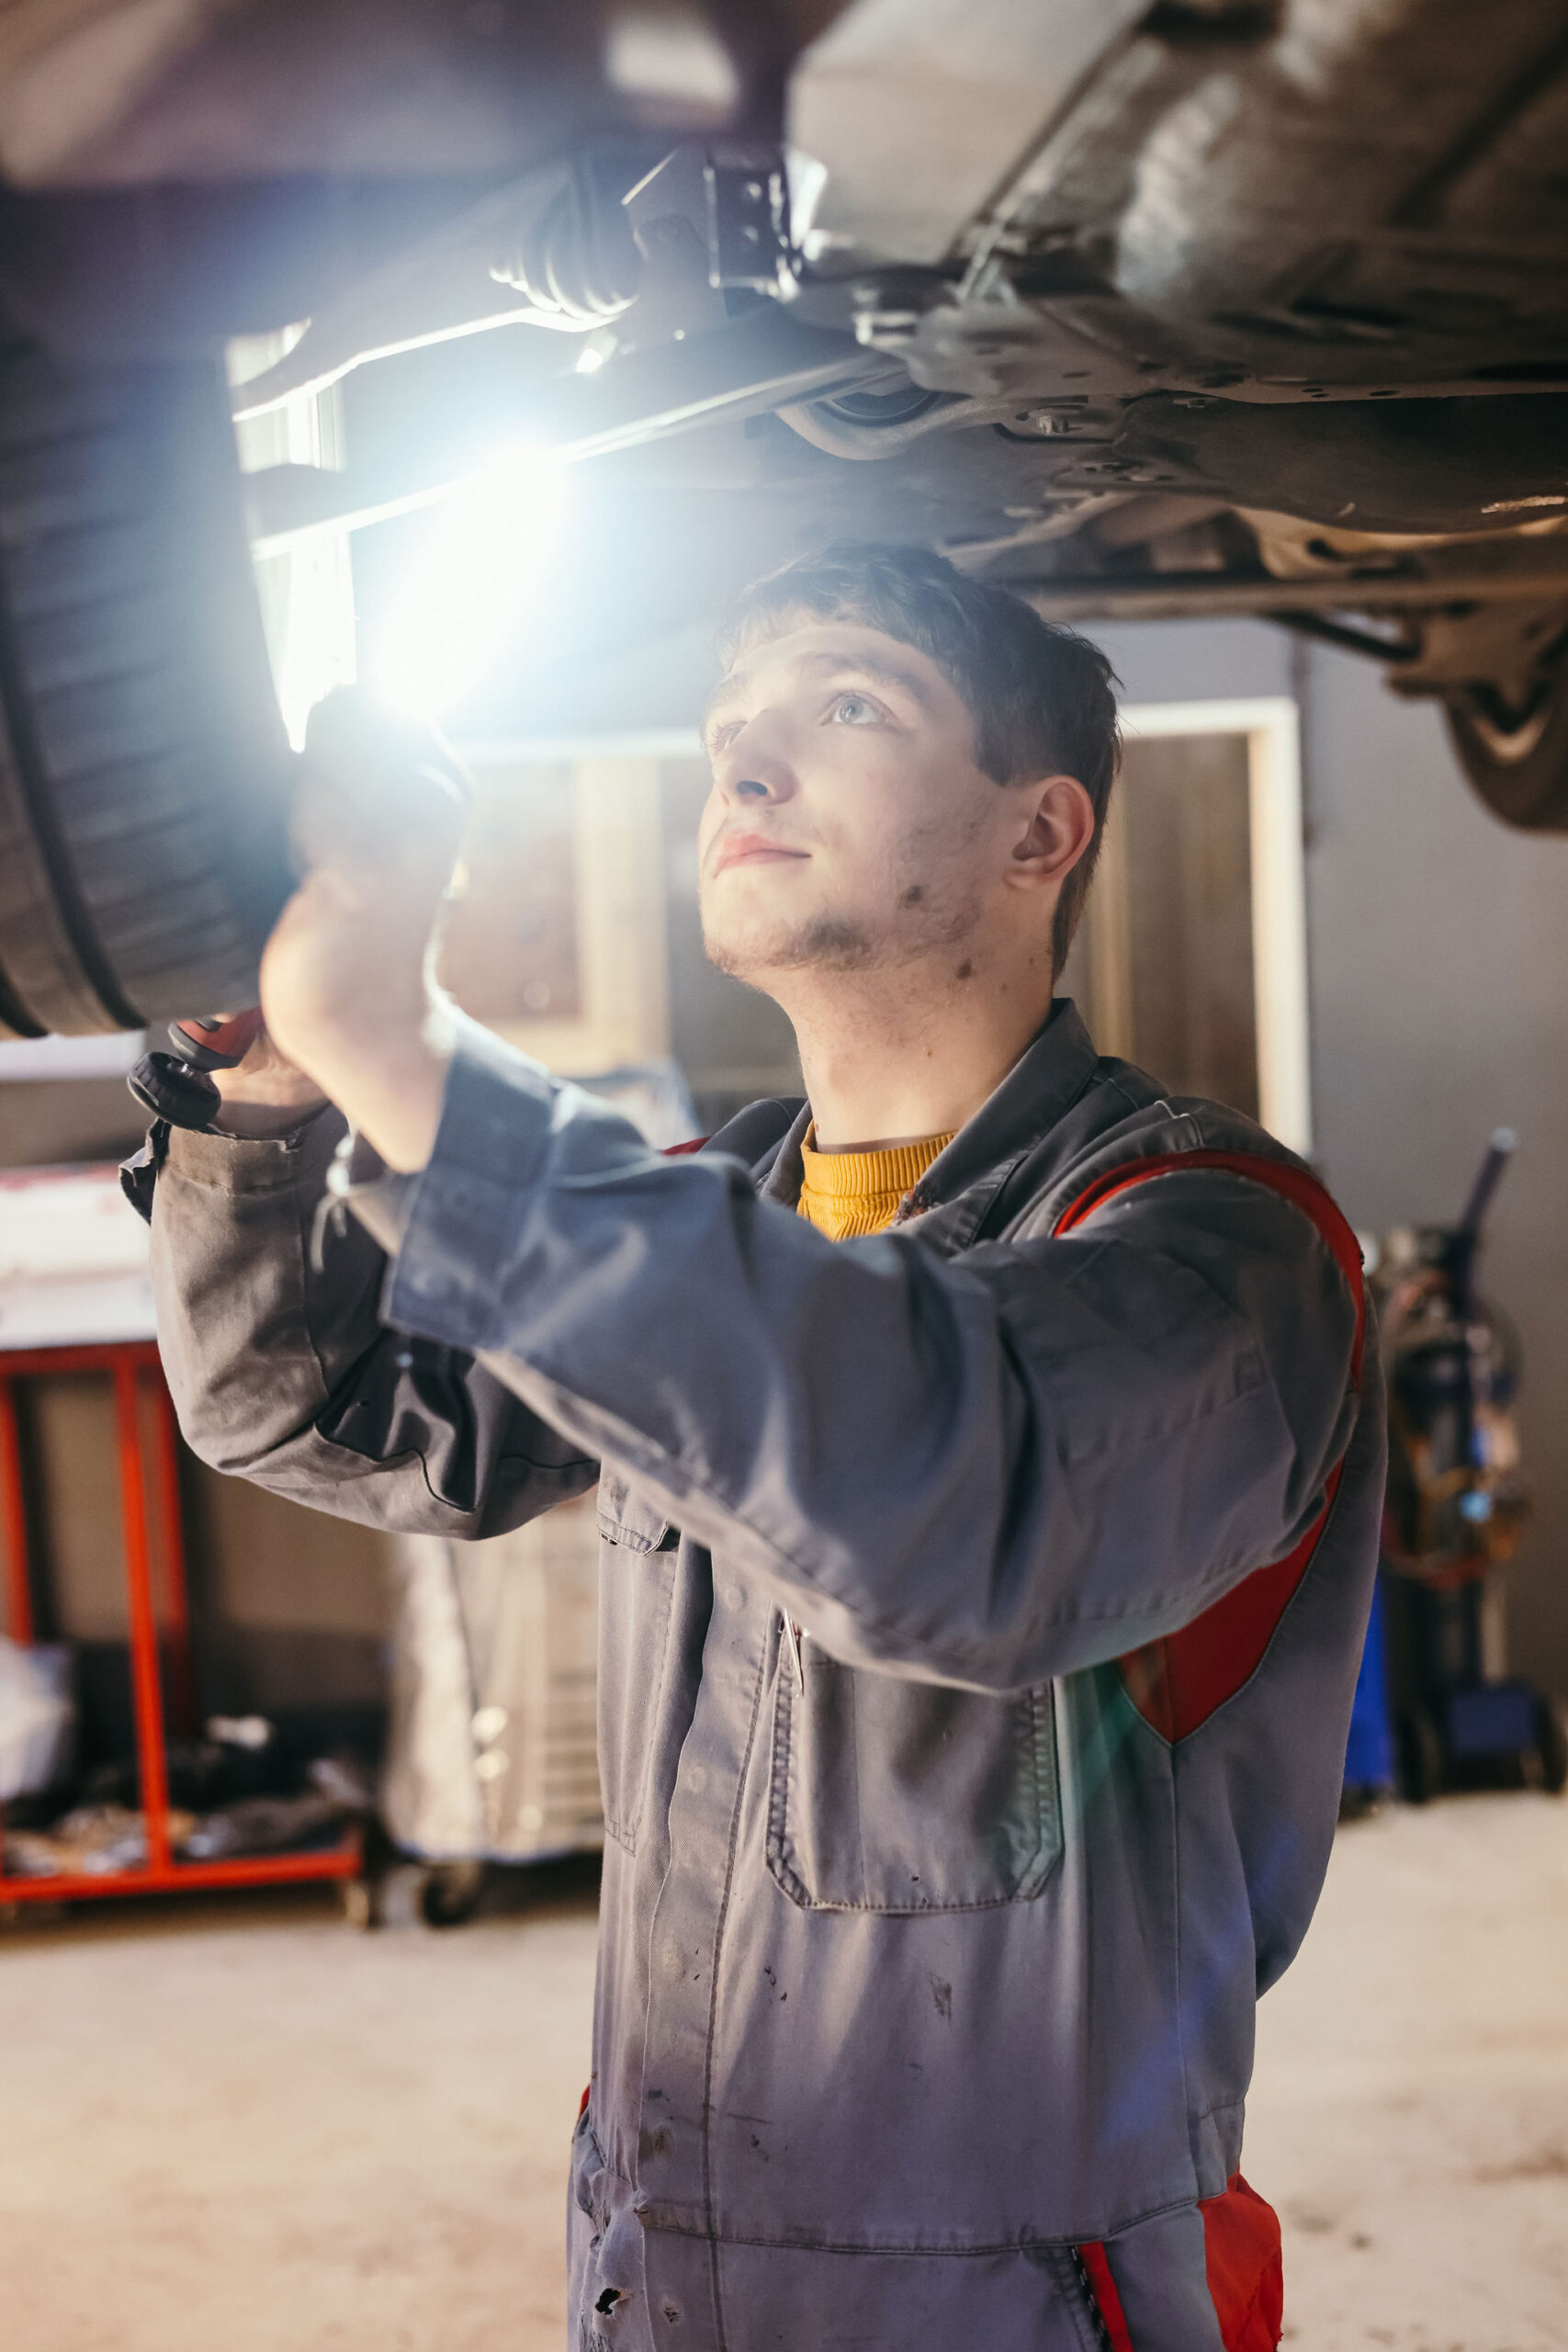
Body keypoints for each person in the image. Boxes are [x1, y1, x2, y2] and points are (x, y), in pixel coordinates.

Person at [131, 542, 1382, 2352]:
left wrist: (409, 1050)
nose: (743, 764)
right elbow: (313, 1403)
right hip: (662, 2255)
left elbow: (951, 1502)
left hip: (1013, 2298)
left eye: (845, 703)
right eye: (729, 728)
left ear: (1040, 835)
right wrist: (269, 1095)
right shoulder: (723, 1209)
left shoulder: (1218, 1243)